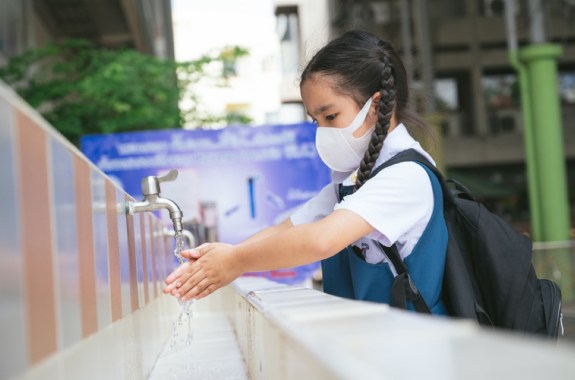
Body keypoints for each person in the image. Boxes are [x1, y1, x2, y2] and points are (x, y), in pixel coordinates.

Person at [163, 30, 448, 314]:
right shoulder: (355, 182)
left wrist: (236, 260)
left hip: (413, 348)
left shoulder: (405, 177)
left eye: (331, 116)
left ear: (374, 106)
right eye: (316, 120)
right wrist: (218, 258)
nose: (322, 130)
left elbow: (320, 240)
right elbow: (288, 228)